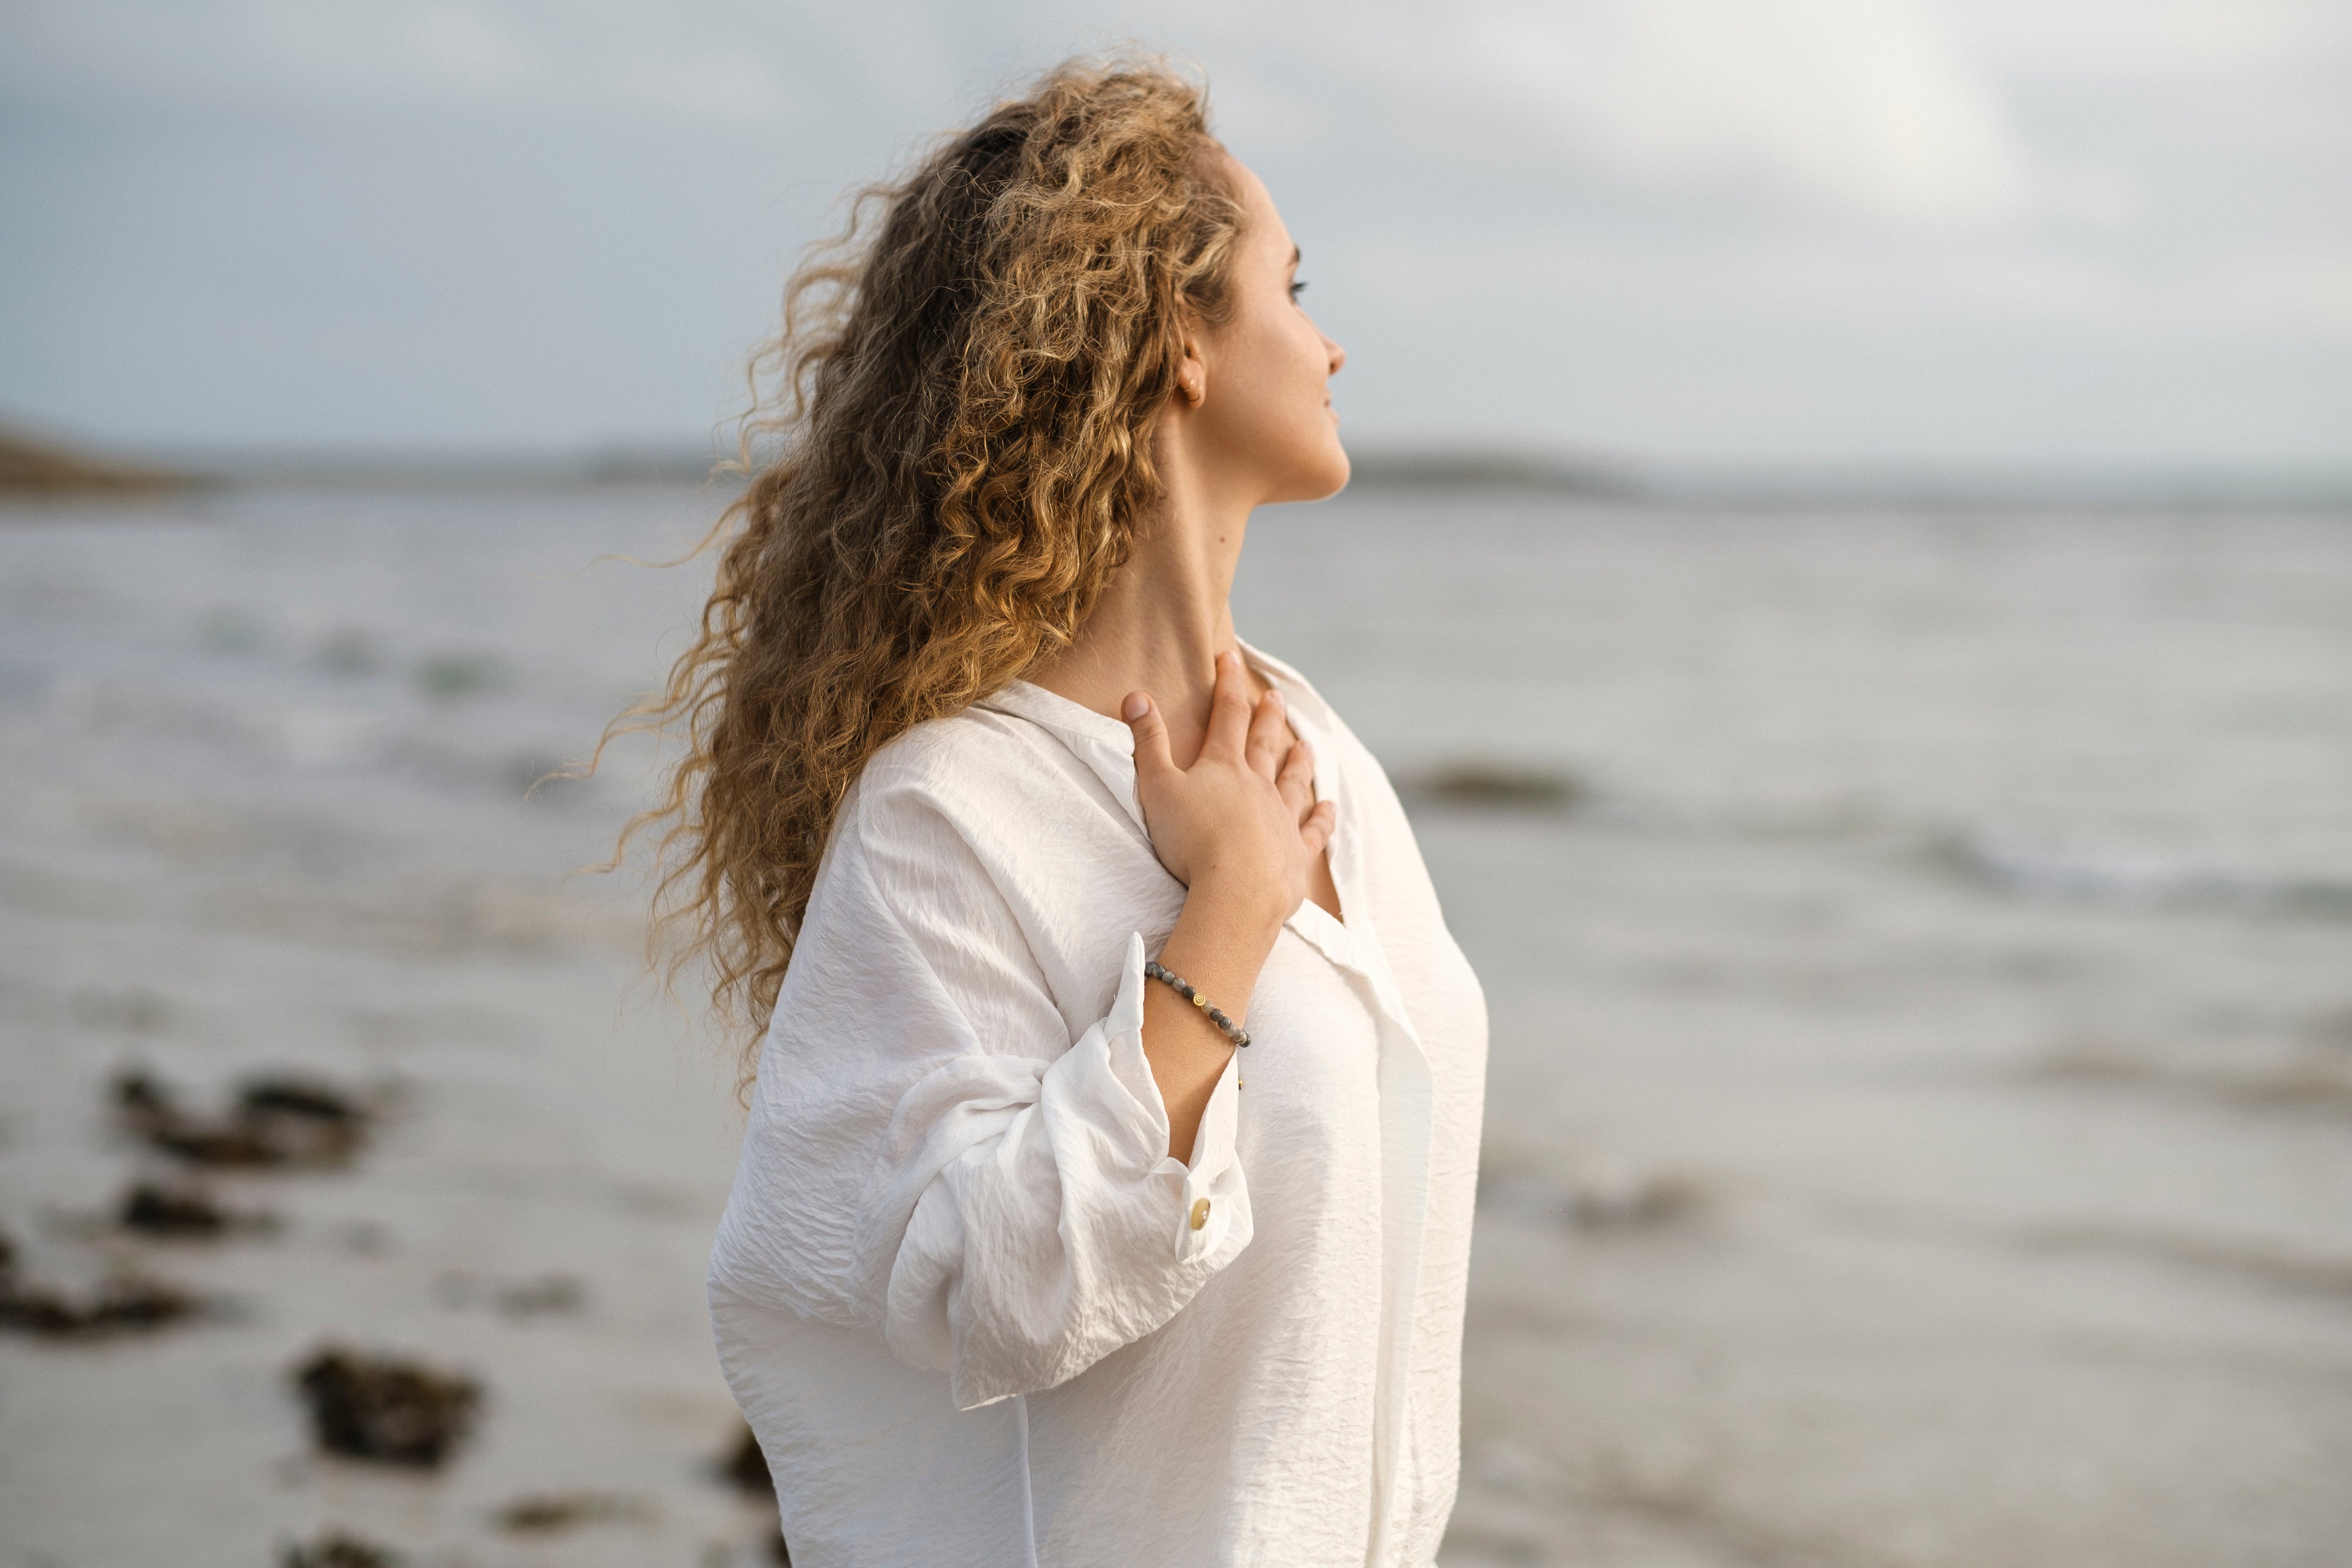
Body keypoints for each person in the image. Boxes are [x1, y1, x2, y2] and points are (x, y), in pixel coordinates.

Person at [642, 55, 1488, 1567]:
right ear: (1180, 336)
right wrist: (1225, 917)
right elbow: (990, 1293)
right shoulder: (948, 815)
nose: (1334, 341)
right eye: (1293, 289)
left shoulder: (1326, 762)